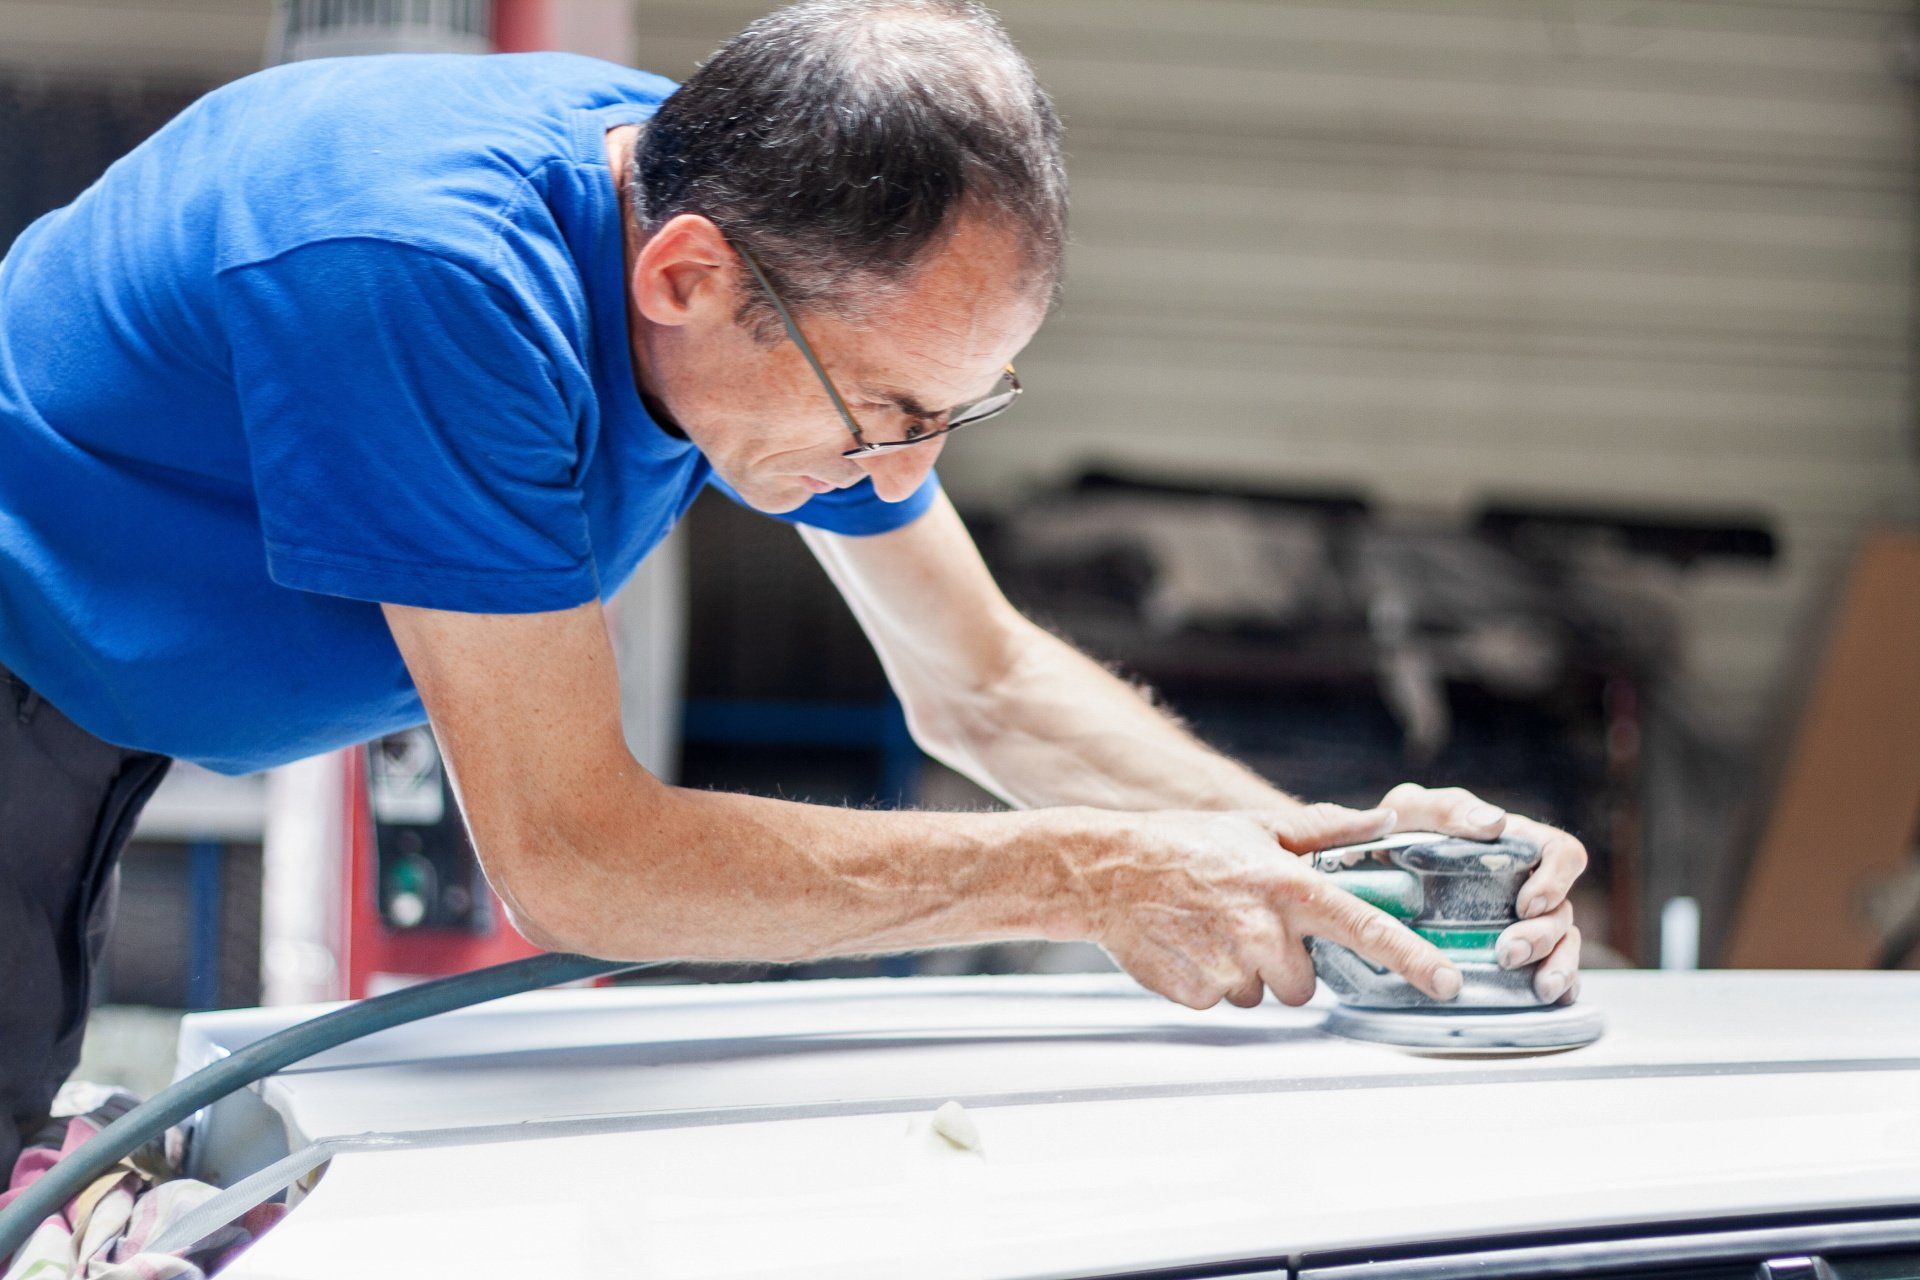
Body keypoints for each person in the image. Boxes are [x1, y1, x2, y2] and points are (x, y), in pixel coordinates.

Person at [0, 0, 1586, 1177]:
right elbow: (572, 856)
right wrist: (1095, 881)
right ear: (685, 278)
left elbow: (983, 679)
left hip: (91, 699)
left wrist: (1332, 870)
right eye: (892, 415)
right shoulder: (427, 280)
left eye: (961, 413)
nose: (906, 470)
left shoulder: (755, 223)